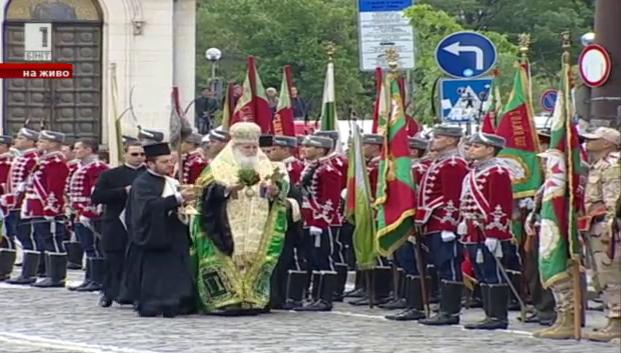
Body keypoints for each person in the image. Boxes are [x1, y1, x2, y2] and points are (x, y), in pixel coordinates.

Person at [191, 122, 289, 315]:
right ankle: (226, 299)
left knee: (256, 257)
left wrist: (275, 190)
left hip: (257, 225)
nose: (252, 151)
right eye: (247, 147)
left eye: (254, 147)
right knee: (228, 256)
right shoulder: (217, 167)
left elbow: (282, 190)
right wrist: (227, 189)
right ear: (235, 147)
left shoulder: (266, 166)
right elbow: (203, 193)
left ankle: (251, 298)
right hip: (224, 224)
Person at [124, 141, 196, 317]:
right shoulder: (142, 183)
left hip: (174, 232)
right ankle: (155, 304)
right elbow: (148, 207)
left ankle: (179, 302)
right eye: (164, 162)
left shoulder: (171, 181)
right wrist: (177, 198)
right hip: (155, 235)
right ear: (150, 164)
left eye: (171, 161)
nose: (170, 165)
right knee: (156, 275)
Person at [457, 132, 514, 330]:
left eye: (476, 146)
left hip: (489, 230)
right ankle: (489, 314)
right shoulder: (475, 171)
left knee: (493, 272)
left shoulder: (497, 172)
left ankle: (498, 317)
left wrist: (494, 233)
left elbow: (500, 205)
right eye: (471, 146)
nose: (471, 149)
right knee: (481, 272)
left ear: (490, 150)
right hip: (473, 229)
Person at [415, 125, 469, 326]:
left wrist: (449, 224)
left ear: (450, 140)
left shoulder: (454, 164)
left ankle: (450, 312)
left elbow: (452, 198)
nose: (433, 141)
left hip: (443, 223)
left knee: (449, 264)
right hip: (432, 220)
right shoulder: (439, 162)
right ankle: (444, 308)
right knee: (440, 264)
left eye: (438, 137)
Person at [91, 141, 146, 307]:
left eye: (142, 154)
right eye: (135, 154)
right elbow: (97, 196)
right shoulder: (110, 175)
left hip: (140, 223)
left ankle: (135, 294)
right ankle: (108, 292)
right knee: (113, 260)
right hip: (115, 222)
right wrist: (123, 191)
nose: (139, 158)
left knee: (137, 261)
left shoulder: (148, 175)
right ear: (125, 155)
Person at [386, 135, 433, 320]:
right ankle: (408, 301)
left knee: (414, 262)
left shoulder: (418, 169)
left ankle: (418, 306)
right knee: (403, 260)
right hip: (400, 218)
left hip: (413, 220)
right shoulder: (406, 169)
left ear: (412, 151)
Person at [580, 127, 621, 342]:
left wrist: (610, 225)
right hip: (595, 224)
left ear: (607, 143)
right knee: (602, 276)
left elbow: (613, 198)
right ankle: (611, 319)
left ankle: (616, 322)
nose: (588, 142)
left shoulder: (613, 164)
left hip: (609, 227)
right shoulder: (598, 164)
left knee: (612, 274)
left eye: (594, 139)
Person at [295, 135, 342, 312]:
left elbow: (331, 199)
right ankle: (315, 297)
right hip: (309, 218)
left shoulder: (327, 170)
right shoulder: (313, 167)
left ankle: (325, 299)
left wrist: (320, 221)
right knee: (312, 258)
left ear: (321, 150)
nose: (305, 148)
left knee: (324, 257)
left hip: (322, 220)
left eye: (310, 146)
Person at [19, 131, 70, 288]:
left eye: (42, 141)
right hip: (37, 207)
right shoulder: (44, 161)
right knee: (45, 238)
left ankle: (56, 277)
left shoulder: (55, 162)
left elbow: (54, 188)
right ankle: (49, 274)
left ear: (53, 144)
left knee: (53, 240)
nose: (38, 143)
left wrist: (51, 208)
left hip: (47, 208)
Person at [266, 135, 306, 309]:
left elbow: (297, 192)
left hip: (285, 216)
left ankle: (289, 296)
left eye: (273, 150)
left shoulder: (291, 168)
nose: (268, 153)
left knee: (288, 259)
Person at [67, 139, 109, 292]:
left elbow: (95, 191)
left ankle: (97, 280)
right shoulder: (80, 167)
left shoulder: (97, 167)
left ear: (89, 150)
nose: (75, 151)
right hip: (79, 211)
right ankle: (89, 278)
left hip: (90, 213)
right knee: (87, 246)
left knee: (94, 246)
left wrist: (90, 211)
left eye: (79, 148)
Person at [4, 128, 41, 285]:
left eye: (21, 138)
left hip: (23, 203)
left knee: (27, 237)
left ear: (30, 141)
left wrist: (19, 198)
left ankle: (29, 273)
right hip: (13, 203)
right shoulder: (22, 157)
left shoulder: (32, 158)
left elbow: (29, 182)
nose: (17, 140)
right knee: (17, 235)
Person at [0, 135, 14, 280]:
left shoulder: (8, 163)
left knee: (5, 236)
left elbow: (7, 184)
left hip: (3, 204)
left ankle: (4, 269)